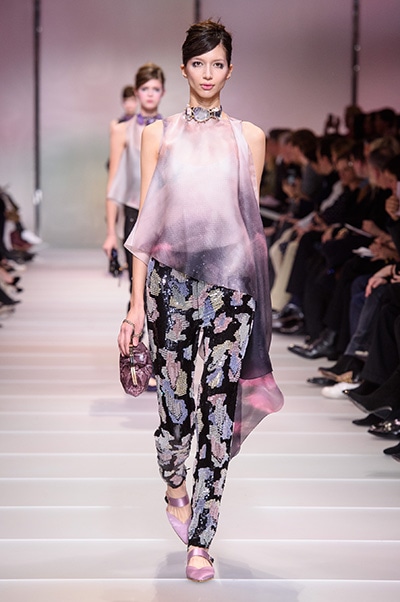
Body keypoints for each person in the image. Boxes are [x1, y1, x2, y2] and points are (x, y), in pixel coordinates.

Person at [117, 20, 284, 582]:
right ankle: (173, 482)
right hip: (170, 288)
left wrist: (257, 298)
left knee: (217, 412)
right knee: (175, 414)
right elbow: (145, 226)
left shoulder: (250, 137)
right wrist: (134, 306)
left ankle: (202, 541)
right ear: (184, 68)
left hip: (231, 291)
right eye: (198, 64)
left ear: (229, 70)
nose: (208, 73)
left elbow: (248, 228)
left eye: (217, 64)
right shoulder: (158, 135)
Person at [102, 63, 165, 277]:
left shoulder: (170, 130)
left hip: (163, 216)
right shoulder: (122, 131)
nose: (150, 94)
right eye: (145, 89)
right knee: (135, 284)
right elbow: (113, 183)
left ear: (163, 92)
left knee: (161, 285)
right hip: (133, 213)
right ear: (137, 92)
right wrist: (111, 233)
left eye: (155, 89)